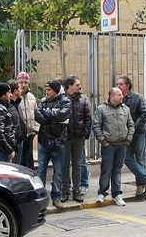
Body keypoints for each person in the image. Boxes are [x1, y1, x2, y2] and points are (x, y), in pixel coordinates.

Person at [92, 87, 135, 206]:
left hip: (122, 145)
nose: (122, 97)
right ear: (112, 97)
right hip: (109, 145)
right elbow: (96, 125)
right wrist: (103, 141)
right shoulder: (102, 109)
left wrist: (128, 140)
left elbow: (131, 125)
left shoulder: (125, 109)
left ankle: (117, 194)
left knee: (117, 170)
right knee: (106, 170)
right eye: (119, 95)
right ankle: (102, 193)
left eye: (122, 95)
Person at [35, 79, 71, 209]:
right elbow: (37, 115)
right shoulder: (43, 101)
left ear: (55, 90)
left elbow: (62, 115)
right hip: (44, 141)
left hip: (58, 141)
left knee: (58, 172)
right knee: (41, 170)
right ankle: (40, 196)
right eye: (46, 90)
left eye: (49, 90)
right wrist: (51, 118)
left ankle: (56, 196)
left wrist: (46, 114)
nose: (46, 92)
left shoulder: (65, 101)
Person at [117, 76, 146, 196]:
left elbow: (145, 114)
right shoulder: (118, 99)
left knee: (140, 158)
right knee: (126, 157)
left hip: (138, 133)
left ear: (128, 85)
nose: (118, 86)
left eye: (121, 84)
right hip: (125, 134)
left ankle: (140, 186)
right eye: (118, 84)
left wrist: (134, 127)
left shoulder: (137, 98)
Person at [61, 74, 92, 203]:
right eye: (77, 85)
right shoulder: (61, 99)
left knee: (77, 165)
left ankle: (77, 191)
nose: (80, 87)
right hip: (65, 138)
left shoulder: (83, 100)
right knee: (64, 165)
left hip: (78, 138)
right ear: (69, 86)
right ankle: (64, 191)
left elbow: (88, 118)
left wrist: (85, 134)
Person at [16, 72, 40, 170]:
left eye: (26, 82)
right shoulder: (15, 96)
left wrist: (35, 129)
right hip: (20, 134)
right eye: (21, 82)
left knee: (28, 157)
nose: (23, 85)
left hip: (30, 133)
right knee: (21, 159)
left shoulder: (31, 97)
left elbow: (36, 113)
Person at [7, 79, 27, 165]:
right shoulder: (6, 106)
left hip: (19, 142)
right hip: (11, 144)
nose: (21, 90)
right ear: (15, 91)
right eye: (19, 88)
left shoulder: (17, 104)